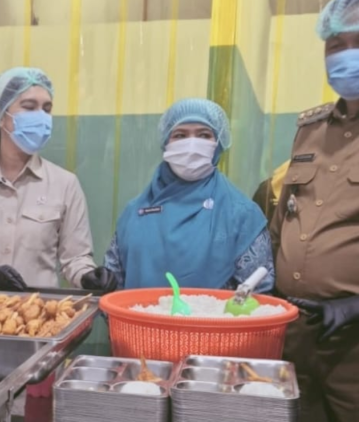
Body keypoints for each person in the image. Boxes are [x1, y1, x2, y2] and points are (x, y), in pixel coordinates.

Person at [0, 67, 115, 292]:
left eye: (46, 109)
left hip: (40, 310)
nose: (41, 117)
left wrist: (87, 276)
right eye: (29, 107)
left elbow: (75, 258)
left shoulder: (65, 184)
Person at [271, 1, 359, 422]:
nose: (347, 54)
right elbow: (284, 219)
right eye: (336, 44)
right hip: (297, 331)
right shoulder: (310, 130)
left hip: (353, 341)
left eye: (358, 42)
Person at [105, 98, 274, 293]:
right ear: (165, 143)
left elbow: (258, 293)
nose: (192, 144)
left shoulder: (241, 215)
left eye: (204, 135)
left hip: (215, 315)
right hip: (136, 314)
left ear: (218, 144)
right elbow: (113, 285)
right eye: (180, 135)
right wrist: (100, 281)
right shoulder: (134, 213)